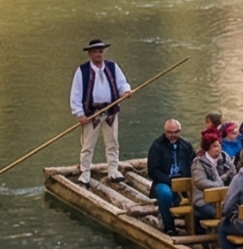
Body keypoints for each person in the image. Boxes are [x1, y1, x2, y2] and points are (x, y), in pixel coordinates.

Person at [70, 39, 132, 185]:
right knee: (88, 145)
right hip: (92, 113)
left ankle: (113, 170)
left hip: (110, 110)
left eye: (101, 51)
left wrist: (126, 91)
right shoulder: (82, 71)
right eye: (96, 52)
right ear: (90, 54)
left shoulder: (112, 67)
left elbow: (122, 83)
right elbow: (76, 94)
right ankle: (85, 172)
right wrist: (80, 114)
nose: (99, 54)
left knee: (112, 142)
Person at [147, 119, 196, 235]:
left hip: (185, 180)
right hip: (164, 181)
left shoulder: (186, 145)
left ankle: (196, 224)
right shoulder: (156, 146)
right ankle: (169, 226)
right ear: (165, 131)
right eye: (170, 132)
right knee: (165, 194)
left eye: (176, 132)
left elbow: (193, 164)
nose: (173, 135)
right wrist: (170, 181)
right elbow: (153, 171)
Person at [191, 132, 236, 220]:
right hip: (203, 200)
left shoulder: (224, 157)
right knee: (220, 214)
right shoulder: (198, 162)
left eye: (219, 146)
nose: (218, 149)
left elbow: (234, 174)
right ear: (207, 148)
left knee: (235, 211)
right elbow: (200, 182)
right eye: (214, 146)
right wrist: (219, 184)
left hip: (224, 197)